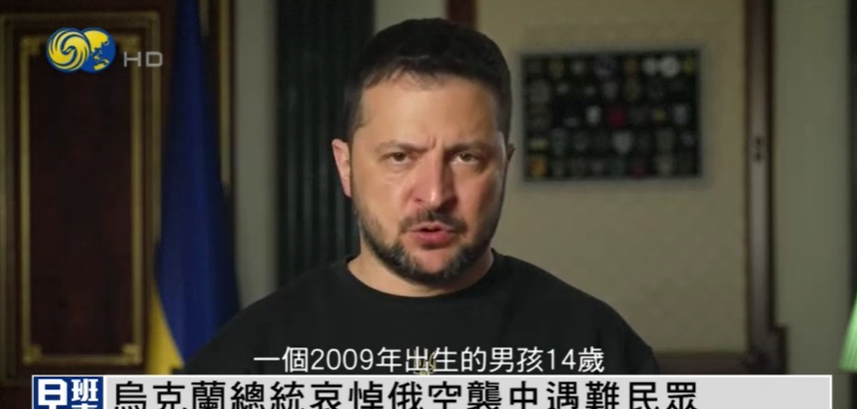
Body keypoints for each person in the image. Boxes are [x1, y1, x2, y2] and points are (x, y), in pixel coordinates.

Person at [183, 18, 658, 375]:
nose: (434, 194)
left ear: (505, 165)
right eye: (399, 157)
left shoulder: (594, 346)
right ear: (345, 167)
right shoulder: (251, 359)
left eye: (466, 157)